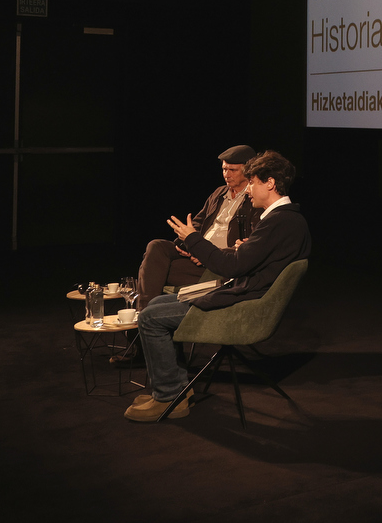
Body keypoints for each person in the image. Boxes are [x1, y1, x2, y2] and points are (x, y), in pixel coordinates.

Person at [124, 150, 309, 422]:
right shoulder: (285, 219)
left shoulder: (279, 221)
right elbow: (255, 261)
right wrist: (246, 250)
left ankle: (169, 396)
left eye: (253, 182)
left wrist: (193, 238)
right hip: (242, 291)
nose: (248, 190)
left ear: (270, 183)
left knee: (151, 317)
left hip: (243, 303)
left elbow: (232, 267)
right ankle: (175, 386)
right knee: (157, 304)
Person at [131, 144, 258, 311]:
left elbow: (251, 246)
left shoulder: (255, 198)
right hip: (197, 254)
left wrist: (208, 253)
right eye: (224, 169)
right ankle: (143, 313)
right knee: (156, 247)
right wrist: (186, 244)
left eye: (232, 170)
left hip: (220, 262)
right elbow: (197, 224)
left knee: (157, 271)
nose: (226, 174)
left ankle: (145, 315)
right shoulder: (219, 193)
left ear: (248, 169)